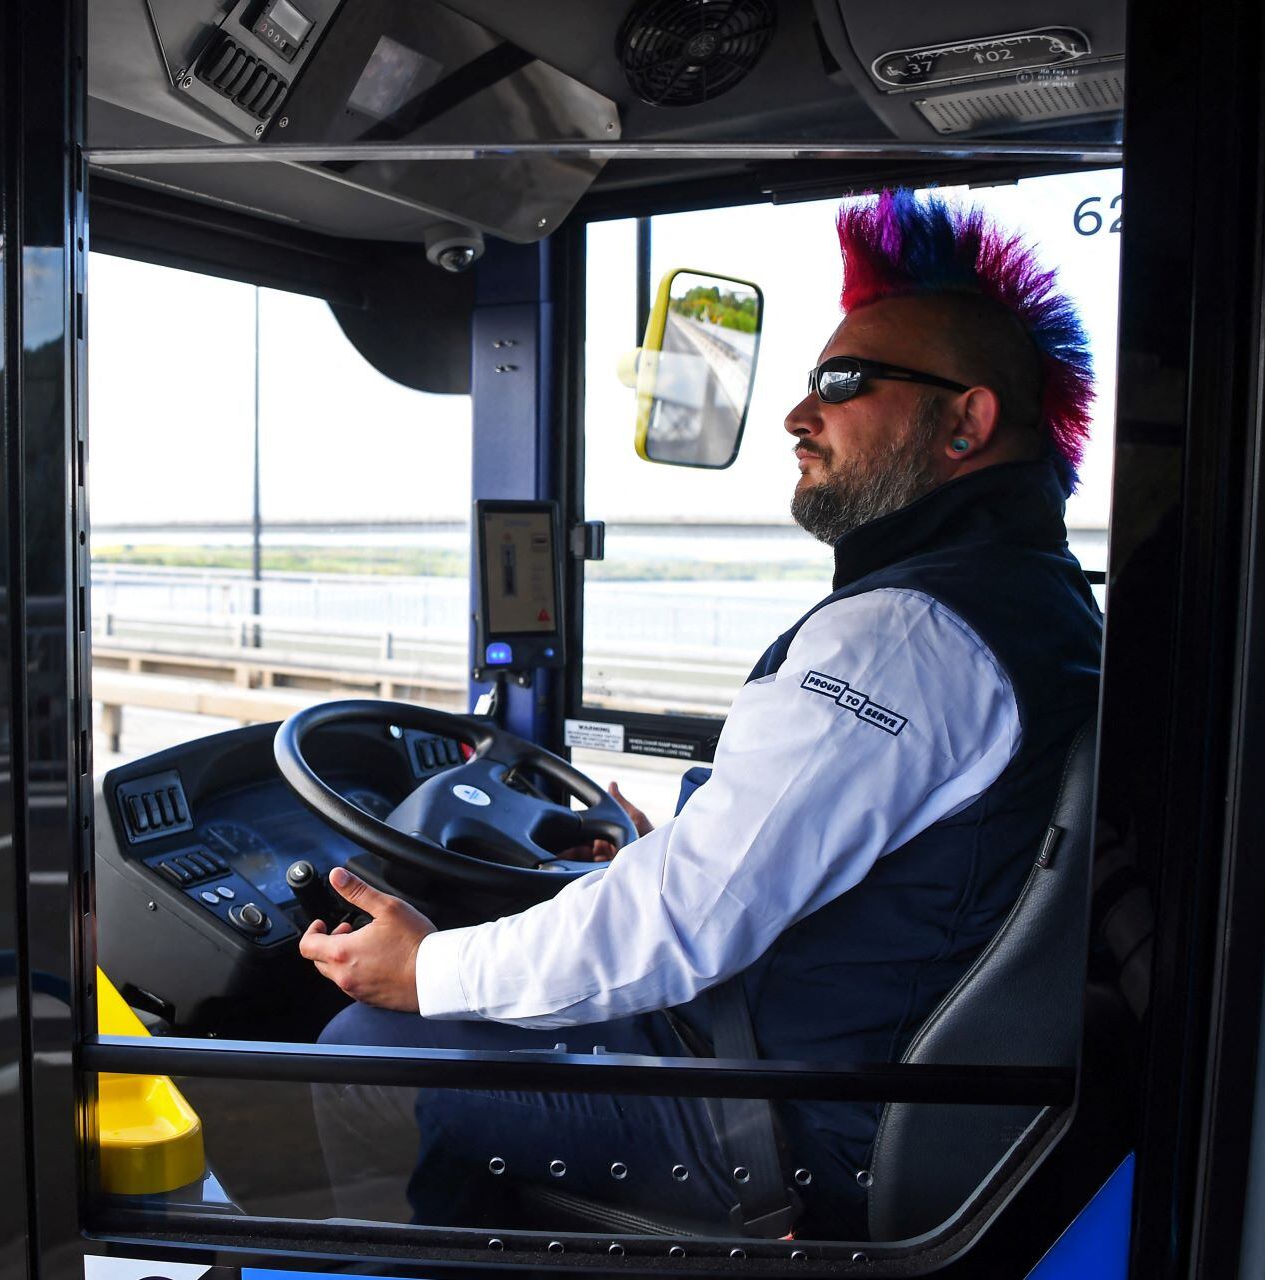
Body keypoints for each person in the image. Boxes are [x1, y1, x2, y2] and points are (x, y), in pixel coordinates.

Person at [300, 189, 1104, 1240]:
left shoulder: (905, 635)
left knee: (357, 1052)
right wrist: (659, 846)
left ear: (967, 419)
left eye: (845, 383)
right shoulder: (1037, 602)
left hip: (778, 1128)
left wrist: (427, 967)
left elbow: (685, 919)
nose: (797, 414)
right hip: (845, 1082)